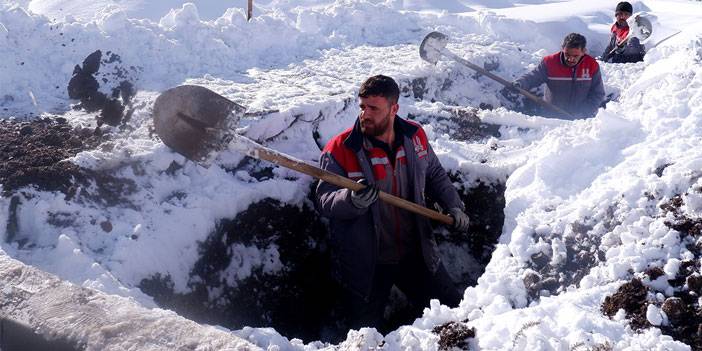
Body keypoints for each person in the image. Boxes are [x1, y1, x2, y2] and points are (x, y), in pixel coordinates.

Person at [315, 75, 470, 332]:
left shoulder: (415, 136)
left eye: (373, 108)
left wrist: (454, 205)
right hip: (368, 262)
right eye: (362, 106)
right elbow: (323, 198)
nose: (365, 114)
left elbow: (434, 174)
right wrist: (350, 199)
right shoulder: (341, 149)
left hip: (416, 252)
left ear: (394, 108)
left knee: (455, 314)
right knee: (364, 335)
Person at [511, 32, 605, 119]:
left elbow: (598, 93)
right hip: (551, 117)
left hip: (579, 120)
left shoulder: (592, 65)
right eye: (567, 54)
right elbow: (533, 77)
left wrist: (583, 113)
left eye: (575, 56)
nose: (570, 59)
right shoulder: (549, 62)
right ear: (562, 48)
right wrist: (520, 83)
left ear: (584, 51)